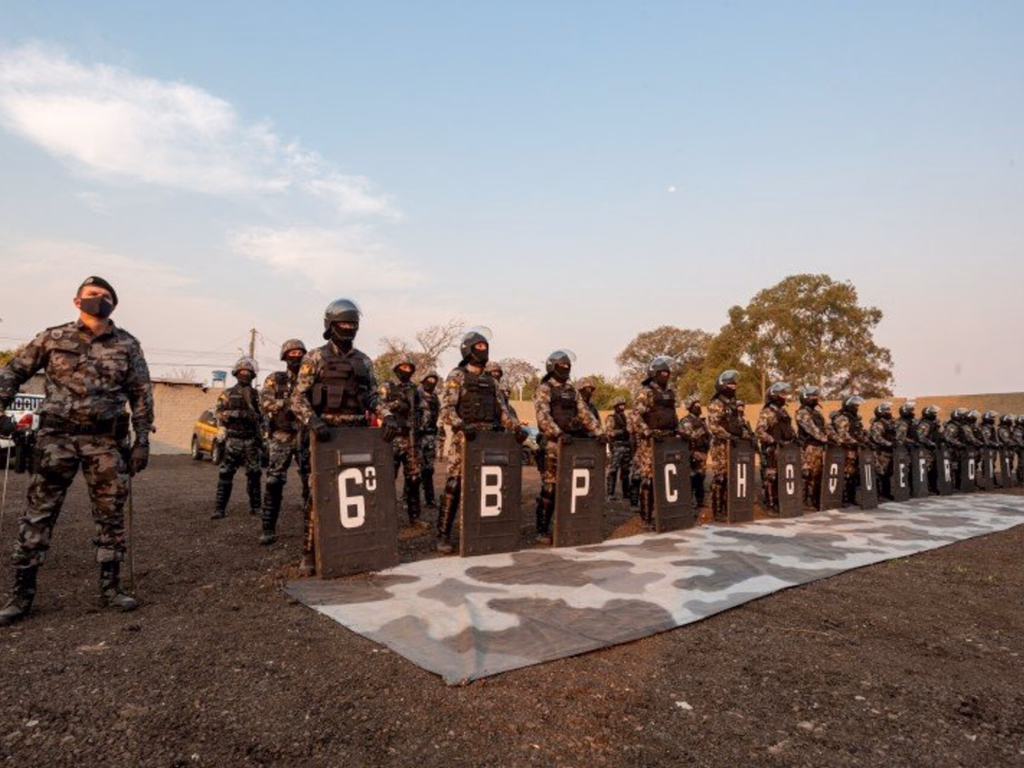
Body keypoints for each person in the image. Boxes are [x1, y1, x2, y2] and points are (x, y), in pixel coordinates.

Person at [0, 276, 153, 626]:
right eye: (92, 294)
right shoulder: (53, 338)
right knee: (39, 512)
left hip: (106, 442)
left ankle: (110, 588)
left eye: (105, 295)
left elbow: (141, 394)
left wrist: (142, 439)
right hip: (57, 439)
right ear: (76, 301)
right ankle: (21, 593)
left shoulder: (128, 345)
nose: (99, 299)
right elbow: (13, 371)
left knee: (111, 514)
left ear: (114, 304)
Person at [290, 299, 398, 575]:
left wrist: (387, 415)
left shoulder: (364, 360)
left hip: (358, 433)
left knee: (361, 491)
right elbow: (297, 398)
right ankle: (309, 552)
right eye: (343, 324)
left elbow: (372, 396)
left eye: (352, 324)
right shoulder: (315, 357)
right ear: (330, 325)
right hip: (325, 434)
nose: (348, 328)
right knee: (318, 493)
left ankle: (359, 546)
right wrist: (312, 420)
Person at [436, 328, 522, 554]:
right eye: (479, 347)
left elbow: (503, 411)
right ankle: (443, 534)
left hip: (488, 440)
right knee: (455, 485)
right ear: (468, 350)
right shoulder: (457, 376)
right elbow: (446, 410)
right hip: (464, 439)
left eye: (486, 347)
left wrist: (515, 427)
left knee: (486, 484)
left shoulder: (491, 381)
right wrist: (461, 424)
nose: (483, 350)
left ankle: (483, 532)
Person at [533, 351, 604, 543]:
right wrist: (557, 433)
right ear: (552, 366)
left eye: (567, 365)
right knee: (550, 488)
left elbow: (585, 414)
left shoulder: (573, 391)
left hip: (572, 445)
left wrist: (599, 432)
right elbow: (542, 416)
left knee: (572, 486)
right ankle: (541, 530)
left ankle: (570, 527)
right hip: (553, 444)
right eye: (561, 365)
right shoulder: (545, 388)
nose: (565, 368)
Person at [257, 339, 310, 545]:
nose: (296, 356)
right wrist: (287, 404)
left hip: (306, 435)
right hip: (282, 435)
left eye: (299, 353)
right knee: (274, 481)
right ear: (284, 356)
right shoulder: (275, 379)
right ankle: (268, 528)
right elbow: (264, 403)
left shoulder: (311, 378)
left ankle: (311, 528)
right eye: (292, 353)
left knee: (311, 481)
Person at [212, 357, 263, 520]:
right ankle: (219, 509)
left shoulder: (257, 395)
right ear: (236, 373)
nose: (245, 374)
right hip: (233, 439)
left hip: (251, 439)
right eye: (242, 371)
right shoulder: (227, 393)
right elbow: (218, 413)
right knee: (226, 473)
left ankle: (256, 507)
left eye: (248, 372)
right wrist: (236, 414)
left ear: (252, 375)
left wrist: (257, 417)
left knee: (254, 474)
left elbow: (264, 415)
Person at [631, 356, 679, 530]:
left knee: (668, 477)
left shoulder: (670, 392)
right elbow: (635, 416)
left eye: (667, 372)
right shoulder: (646, 392)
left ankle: (665, 513)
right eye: (662, 372)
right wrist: (647, 432)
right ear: (654, 373)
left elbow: (672, 415)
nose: (665, 374)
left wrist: (678, 430)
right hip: (650, 441)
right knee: (649, 478)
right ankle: (646, 517)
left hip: (668, 440)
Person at [379, 358, 427, 529]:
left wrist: (421, 424)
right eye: (403, 367)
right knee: (387, 478)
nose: (407, 370)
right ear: (396, 369)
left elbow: (424, 409)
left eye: (409, 367)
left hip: (412, 439)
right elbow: (378, 406)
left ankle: (415, 518)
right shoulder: (387, 386)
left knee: (414, 479)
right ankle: (384, 517)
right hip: (392, 439)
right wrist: (397, 405)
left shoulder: (416, 389)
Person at [707, 370, 744, 522]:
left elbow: (738, 424)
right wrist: (729, 436)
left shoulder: (733, 403)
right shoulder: (717, 403)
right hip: (720, 446)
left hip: (733, 445)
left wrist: (745, 436)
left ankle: (728, 507)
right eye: (730, 384)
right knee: (720, 478)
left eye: (735, 384)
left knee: (731, 477)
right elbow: (713, 426)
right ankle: (717, 511)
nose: (733, 386)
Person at [755, 382, 796, 514]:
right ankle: (771, 505)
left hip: (785, 450)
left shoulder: (783, 412)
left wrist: (794, 439)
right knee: (771, 478)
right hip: (772, 450)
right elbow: (759, 431)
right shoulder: (767, 412)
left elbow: (789, 428)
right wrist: (773, 440)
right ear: (774, 396)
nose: (784, 396)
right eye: (781, 394)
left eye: (784, 394)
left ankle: (781, 503)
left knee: (783, 477)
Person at [795, 385, 836, 508]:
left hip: (819, 448)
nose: (815, 398)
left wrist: (836, 439)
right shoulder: (802, 413)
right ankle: (802, 501)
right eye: (812, 396)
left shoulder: (817, 413)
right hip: (808, 447)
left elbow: (826, 428)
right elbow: (812, 430)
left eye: (816, 396)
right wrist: (825, 439)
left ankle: (814, 500)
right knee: (807, 474)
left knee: (817, 475)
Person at [830, 396, 867, 505]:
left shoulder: (854, 418)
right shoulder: (842, 418)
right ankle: (841, 498)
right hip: (846, 450)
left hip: (855, 449)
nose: (857, 407)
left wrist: (865, 441)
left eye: (857, 405)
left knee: (853, 475)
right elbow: (843, 434)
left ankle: (851, 498)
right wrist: (855, 442)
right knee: (845, 474)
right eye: (855, 405)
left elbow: (860, 432)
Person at [677, 395, 711, 509]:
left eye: (699, 405)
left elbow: (707, 436)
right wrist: (701, 431)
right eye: (696, 405)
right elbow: (689, 436)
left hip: (702, 452)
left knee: (701, 477)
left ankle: (700, 501)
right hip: (692, 453)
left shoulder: (701, 421)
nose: (699, 407)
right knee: (691, 478)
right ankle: (688, 501)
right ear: (690, 407)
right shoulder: (686, 421)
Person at [416, 371, 443, 509]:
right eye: (429, 379)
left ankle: (430, 499)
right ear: (423, 380)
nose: (432, 382)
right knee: (414, 469)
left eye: (434, 380)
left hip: (431, 436)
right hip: (417, 436)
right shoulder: (416, 394)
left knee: (429, 469)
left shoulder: (435, 397)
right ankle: (409, 499)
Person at [604, 396, 632, 500]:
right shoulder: (611, 418)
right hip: (616, 446)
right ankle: (610, 494)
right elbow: (609, 432)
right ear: (615, 406)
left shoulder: (626, 418)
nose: (622, 407)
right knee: (613, 470)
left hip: (626, 446)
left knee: (626, 471)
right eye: (620, 405)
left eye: (623, 405)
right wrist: (621, 432)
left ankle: (626, 493)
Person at [868, 402, 897, 499]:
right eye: (887, 410)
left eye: (889, 410)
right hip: (880, 452)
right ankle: (876, 494)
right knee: (879, 472)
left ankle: (886, 493)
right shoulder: (878, 423)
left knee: (888, 473)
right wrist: (888, 443)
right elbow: (876, 437)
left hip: (888, 451)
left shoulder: (889, 423)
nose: (889, 412)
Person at [914, 405, 943, 493]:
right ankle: (925, 487)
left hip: (932, 450)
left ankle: (933, 487)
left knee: (934, 469)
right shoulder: (925, 424)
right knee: (927, 469)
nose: (935, 414)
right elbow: (920, 436)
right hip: (925, 450)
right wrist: (931, 443)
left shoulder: (932, 423)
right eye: (933, 413)